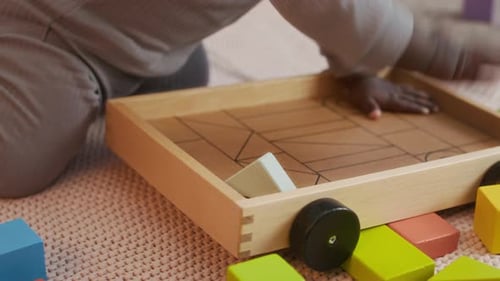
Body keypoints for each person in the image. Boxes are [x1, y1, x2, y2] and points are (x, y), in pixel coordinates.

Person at [0, 0, 498, 198]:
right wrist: (426, 44)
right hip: (61, 34)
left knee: (186, 85)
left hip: (151, 42)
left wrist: (355, 66)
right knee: (16, 165)